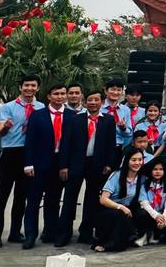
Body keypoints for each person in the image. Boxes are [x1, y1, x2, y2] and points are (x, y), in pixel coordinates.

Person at [59, 87, 116, 246]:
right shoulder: (74, 119)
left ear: (102, 102)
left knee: (92, 200)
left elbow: (111, 144)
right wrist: (63, 165)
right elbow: (65, 143)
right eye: (89, 100)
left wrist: (109, 164)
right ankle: (64, 234)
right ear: (84, 102)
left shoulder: (108, 120)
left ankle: (86, 233)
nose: (93, 102)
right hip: (76, 163)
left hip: (97, 164)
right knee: (69, 199)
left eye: (96, 100)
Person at [0, 74, 43, 247]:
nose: (29, 88)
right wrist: (5, 127)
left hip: (30, 154)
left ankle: (15, 232)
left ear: (37, 88)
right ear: (20, 87)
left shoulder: (41, 107)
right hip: (10, 153)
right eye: (26, 85)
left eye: (33, 85)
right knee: (2, 196)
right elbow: (0, 132)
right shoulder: (8, 107)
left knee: (21, 197)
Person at [22, 84, 74, 249]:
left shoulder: (72, 116)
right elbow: (30, 141)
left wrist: (67, 165)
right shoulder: (38, 115)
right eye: (56, 94)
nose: (60, 97)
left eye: (62, 94)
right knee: (33, 201)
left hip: (60, 164)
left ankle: (50, 232)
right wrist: (28, 164)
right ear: (49, 96)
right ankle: (30, 235)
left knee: (53, 200)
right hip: (39, 164)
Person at [93, 148, 144, 252]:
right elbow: (103, 199)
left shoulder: (141, 177)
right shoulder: (116, 175)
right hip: (111, 209)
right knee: (119, 214)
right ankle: (107, 243)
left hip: (128, 210)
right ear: (126, 161)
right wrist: (120, 207)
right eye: (133, 160)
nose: (137, 163)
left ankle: (133, 236)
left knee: (141, 212)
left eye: (140, 160)